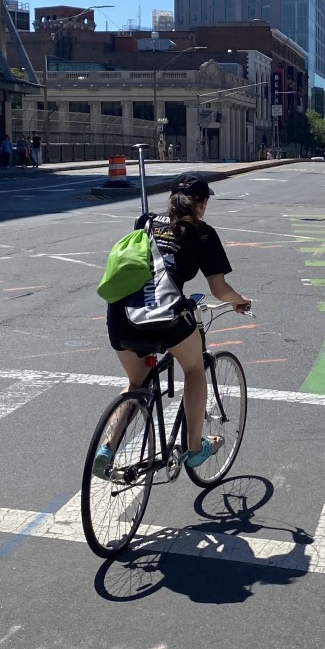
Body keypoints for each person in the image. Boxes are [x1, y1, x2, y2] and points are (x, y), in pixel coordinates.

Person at [97, 172, 252, 477]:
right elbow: (219, 289)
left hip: (122, 314)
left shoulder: (145, 222)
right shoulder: (204, 234)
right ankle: (194, 448)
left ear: (171, 200)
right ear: (203, 203)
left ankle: (106, 448)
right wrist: (240, 300)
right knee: (193, 368)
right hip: (165, 314)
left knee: (136, 383)